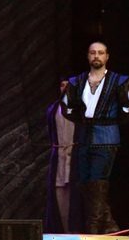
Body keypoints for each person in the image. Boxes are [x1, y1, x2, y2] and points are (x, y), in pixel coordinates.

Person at [60, 41, 129, 234]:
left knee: (97, 180)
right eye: (93, 53)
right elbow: (67, 107)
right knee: (85, 183)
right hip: (85, 137)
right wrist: (83, 120)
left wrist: (110, 122)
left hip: (106, 139)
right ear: (88, 56)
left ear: (107, 56)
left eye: (100, 53)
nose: (96, 56)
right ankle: (110, 225)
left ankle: (93, 228)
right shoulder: (77, 81)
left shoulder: (118, 81)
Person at [44, 79, 76, 233]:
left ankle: (75, 231)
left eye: (68, 85)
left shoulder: (81, 109)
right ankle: (63, 232)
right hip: (59, 157)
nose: (65, 88)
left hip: (75, 158)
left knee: (75, 197)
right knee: (59, 196)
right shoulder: (53, 109)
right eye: (62, 85)